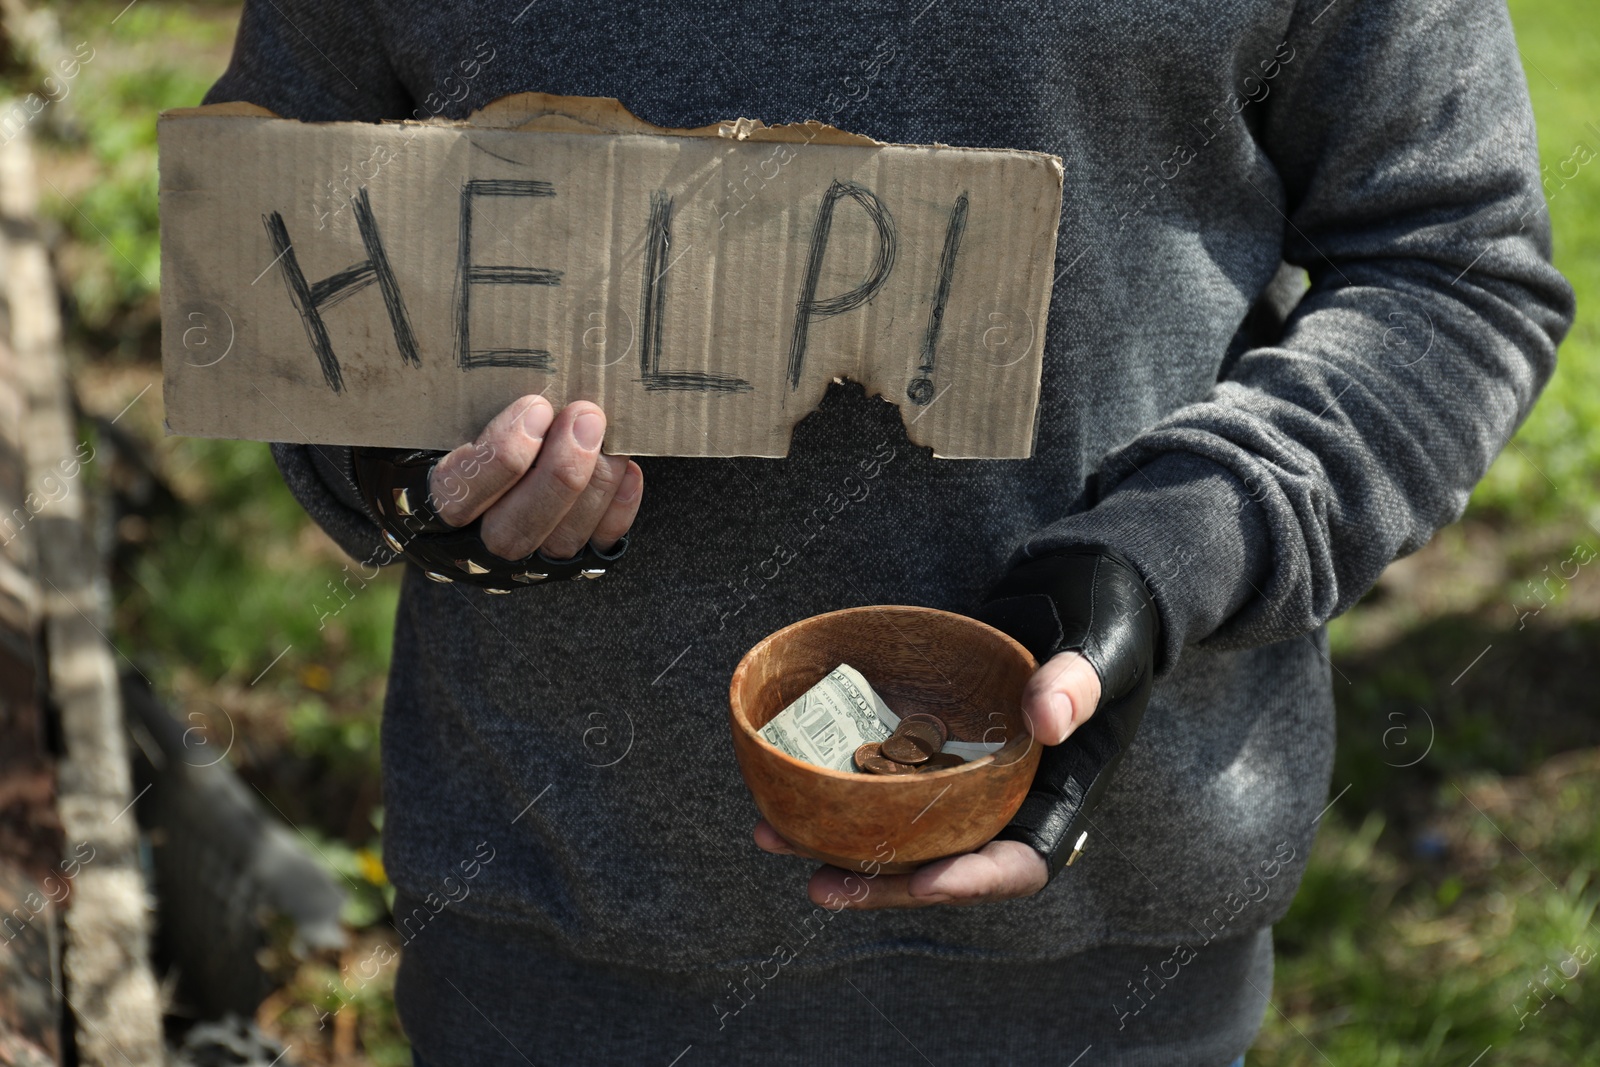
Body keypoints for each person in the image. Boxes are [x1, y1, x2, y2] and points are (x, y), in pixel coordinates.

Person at [203, 0, 1573, 1063]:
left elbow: (1450, 268)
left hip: (1109, 988)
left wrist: (1183, 550)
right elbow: (278, 235)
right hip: (557, 960)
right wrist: (408, 474)